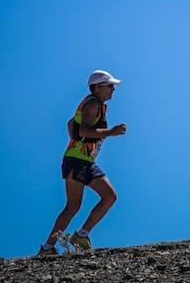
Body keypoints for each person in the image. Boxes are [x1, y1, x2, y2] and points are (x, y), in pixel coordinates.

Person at [39, 70, 128, 255]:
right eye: (110, 85)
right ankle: (72, 238)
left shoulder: (98, 105)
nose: (113, 89)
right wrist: (111, 132)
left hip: (81, 160)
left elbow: (71, 124)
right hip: (79, 161)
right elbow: (84, 131)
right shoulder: (93, 103)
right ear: (97, 87)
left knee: (85, 203)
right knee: (102, 198)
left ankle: (55, 244)